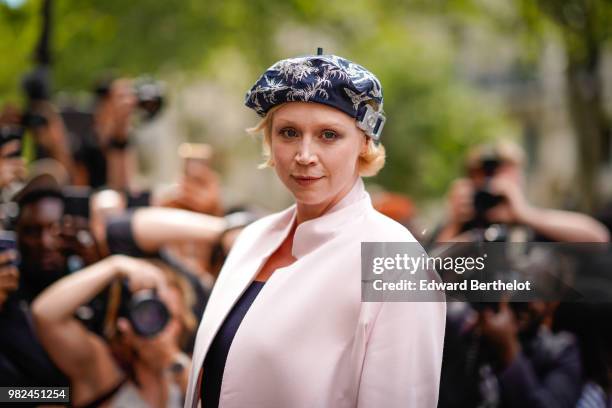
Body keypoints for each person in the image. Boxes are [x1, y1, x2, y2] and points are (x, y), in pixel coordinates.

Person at [184, 53, 446, 407]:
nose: (305, 155)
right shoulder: (252, 238)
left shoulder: (395, 258)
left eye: (328, 135)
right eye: (289, 133)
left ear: (364, 143)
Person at [32, 255, 197, 407]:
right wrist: (115, 265)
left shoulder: (181, 374)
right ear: (127, 320)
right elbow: (45, 315)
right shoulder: (102, 367)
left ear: (182, 323)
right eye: (146, 313)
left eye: (168, 316)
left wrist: (173, 360)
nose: (158, 326)